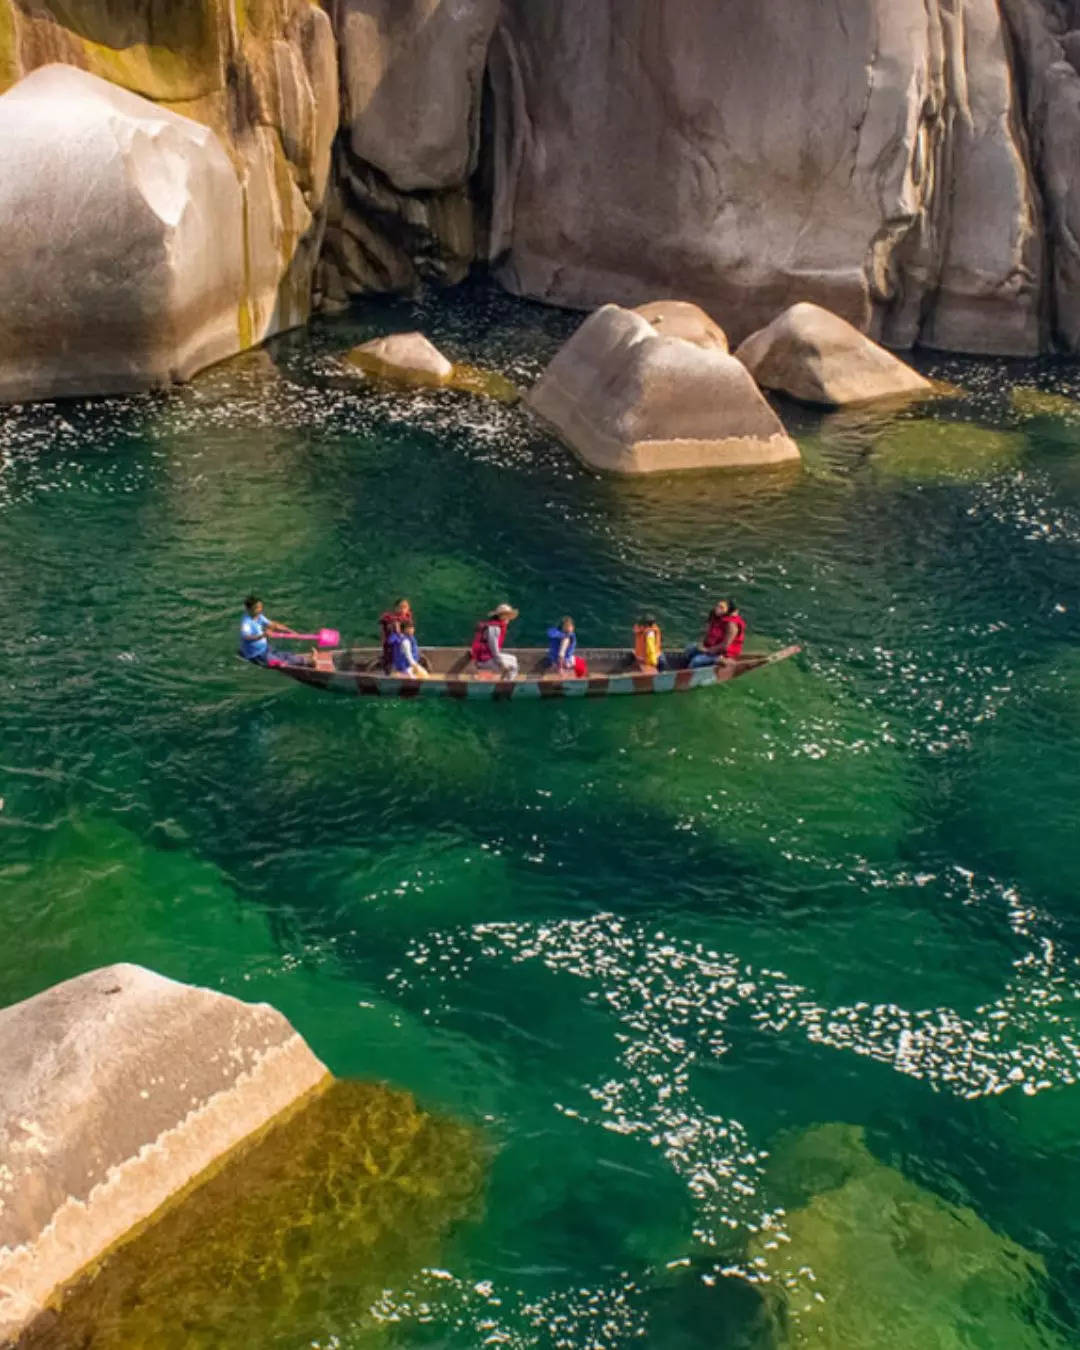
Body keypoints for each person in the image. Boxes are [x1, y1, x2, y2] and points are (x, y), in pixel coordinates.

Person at [239, 595, 312, 667]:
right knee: (280, 663)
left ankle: (299, 659)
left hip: (265, 648)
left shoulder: (258, 616)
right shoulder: (246, 622)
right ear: (248, 609)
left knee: (284, 655)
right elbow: (246, 637)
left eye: (261, 607)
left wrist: (291, 632)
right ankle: (308, 662)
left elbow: (274, 625)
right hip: (257, 655)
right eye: (257, 608)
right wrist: (262, 635)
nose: (260, 609)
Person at [683, 599, 746, 669]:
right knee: (689, 648)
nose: (717, 609)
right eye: (717, 606)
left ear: (728, 611)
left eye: (722, 608)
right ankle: (691, 666)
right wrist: (701, 644)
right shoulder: (716, 616)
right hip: (711, 648)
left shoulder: (731, 624)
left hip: (723, 653)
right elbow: (706, 632)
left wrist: (707, 650)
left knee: (696, 661)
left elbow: (725, 645)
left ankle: (717, 662)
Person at [471, 603, 520, 679]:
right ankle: (507, 686)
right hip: (484, 661)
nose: (509, 618)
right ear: (502, 616)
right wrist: (501, 664)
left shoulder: (496, 625)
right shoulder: (494, 628)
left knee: (513, 659)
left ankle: (503, 681)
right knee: (514, 667)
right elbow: (494, 649)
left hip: (486, 657)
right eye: (508, 615)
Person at [379, 598, 413, 672]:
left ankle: (409, 664)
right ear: (395, 608)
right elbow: (384, 629)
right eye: (400, 607)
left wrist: (409, 630)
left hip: (404, 637)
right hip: (391, 638)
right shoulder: (389, 617)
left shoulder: (407, 617)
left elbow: (410, 629)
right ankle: (388, 665)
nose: (403, 609)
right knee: (389, 651)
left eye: (405, 607)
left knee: (411, 643)